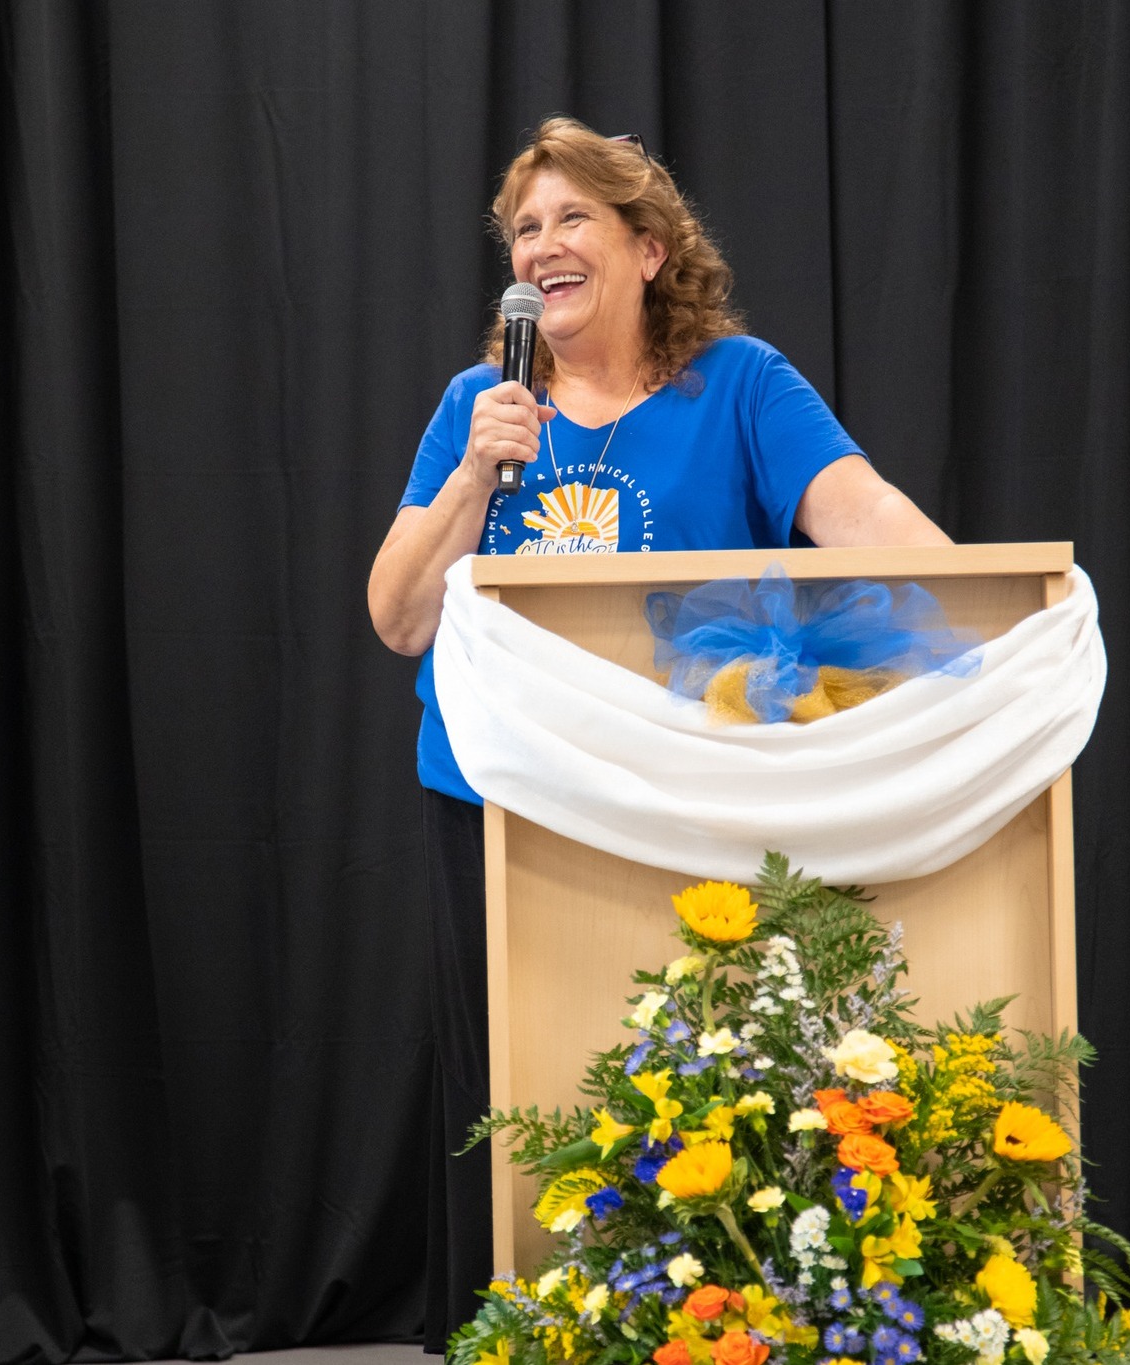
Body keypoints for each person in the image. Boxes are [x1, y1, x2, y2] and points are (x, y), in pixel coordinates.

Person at [367, 116, 950, 1351]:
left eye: (573, 218)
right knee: (525, 1087)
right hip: (498, 797)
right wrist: (474, 475)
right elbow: (398, 618)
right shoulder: (481, 404)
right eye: (525, 229)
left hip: (688, 795)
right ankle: (525, 1326)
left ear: (647, 247)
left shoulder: (737, 383)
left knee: (691, 1070)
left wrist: (989, 600)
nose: (544, 245)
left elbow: (868, 515)